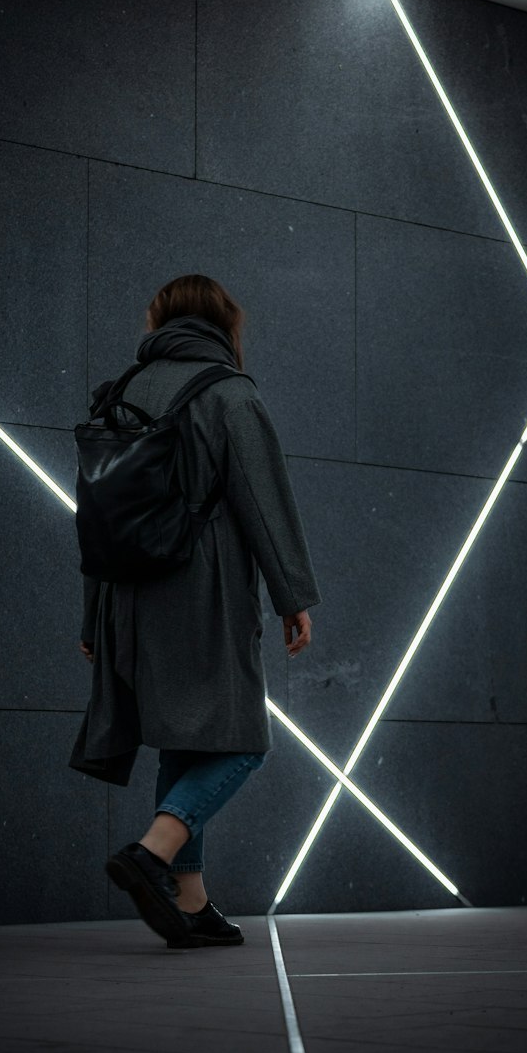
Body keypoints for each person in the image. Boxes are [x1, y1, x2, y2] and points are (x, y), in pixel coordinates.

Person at [71, 274, 321, 949]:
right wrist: (293, 596)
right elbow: (264, 504)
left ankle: (191, 899)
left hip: (126, 597)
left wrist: (93, 614)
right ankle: (152, 854)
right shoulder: (230, 394)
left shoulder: (120, 391)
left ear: (162, 320)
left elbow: (98, 514)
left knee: (187, 741)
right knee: (242, 742)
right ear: (222, 325)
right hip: (199, 595)